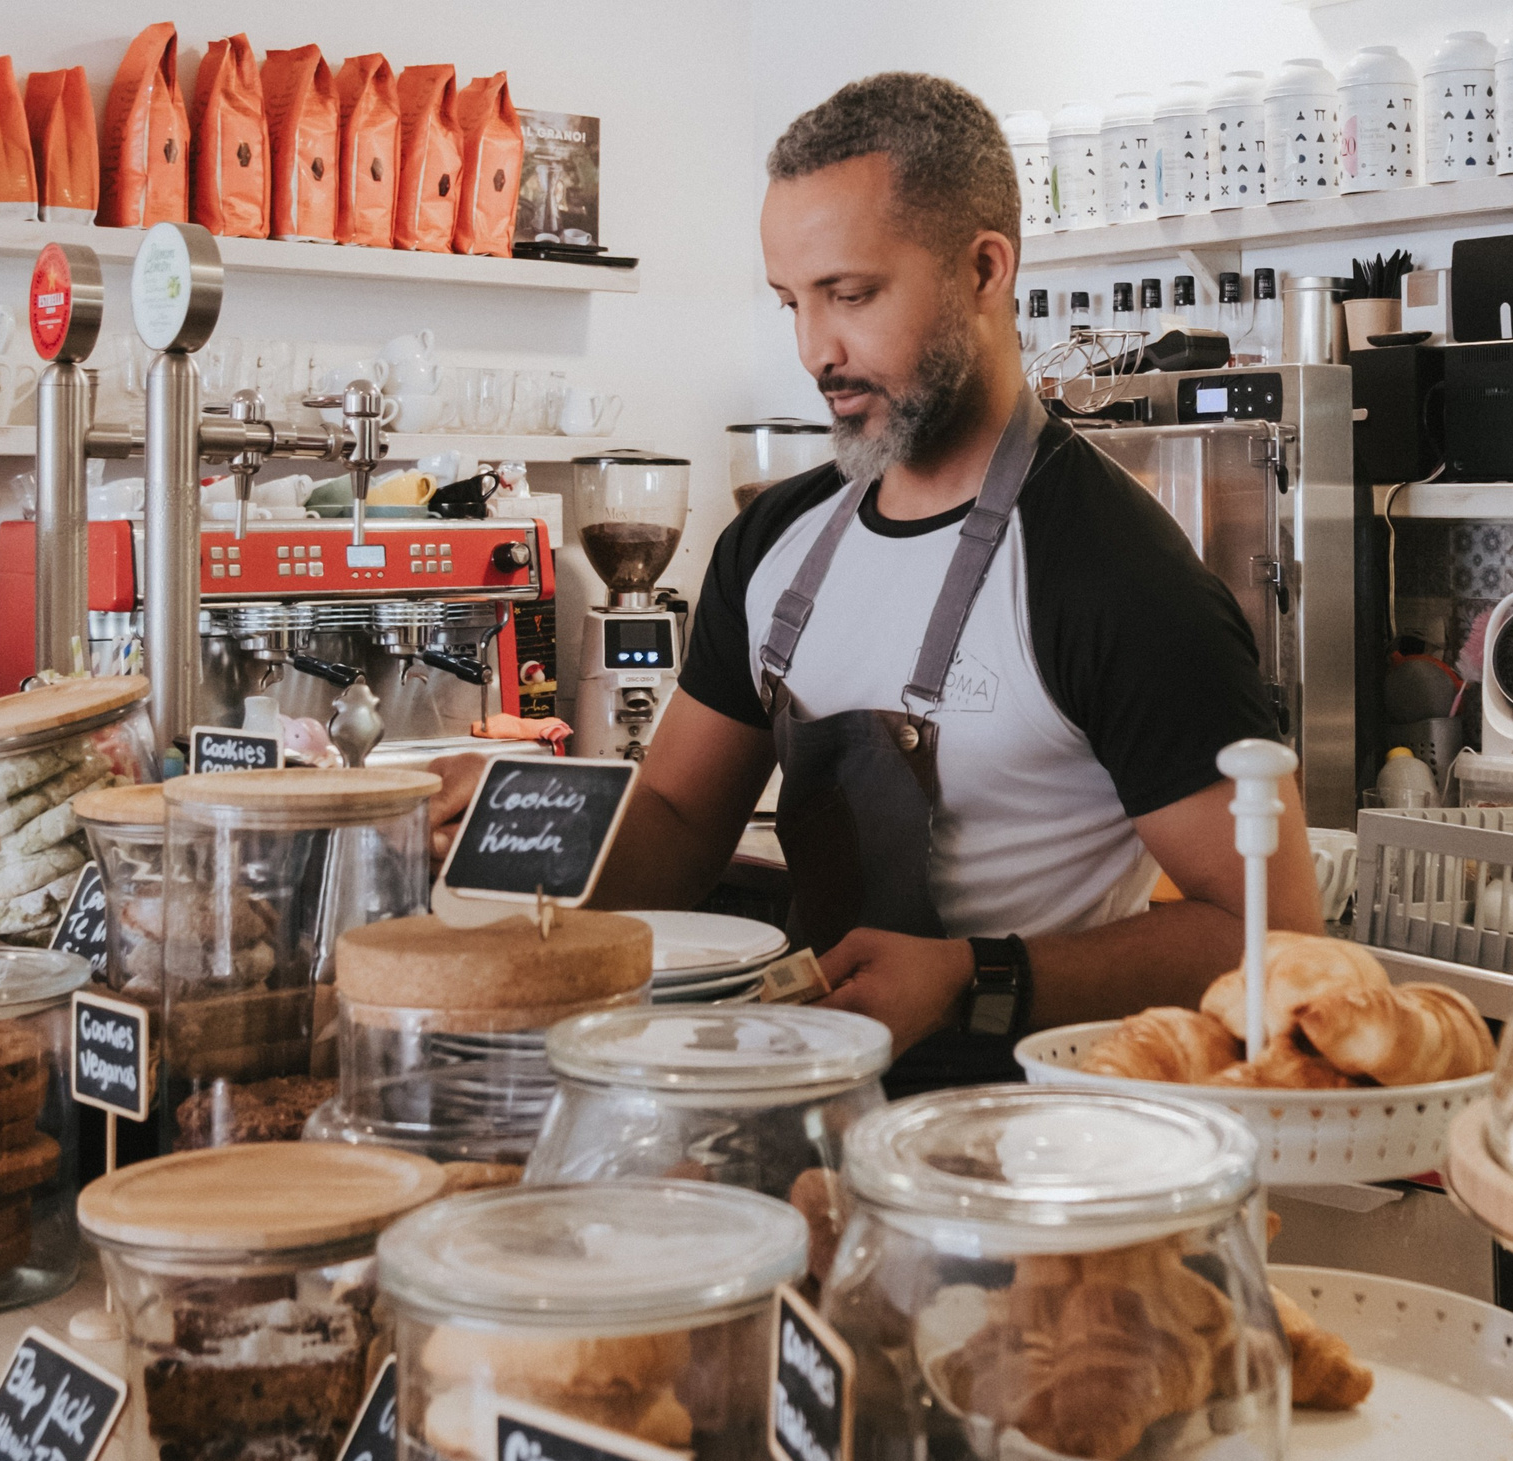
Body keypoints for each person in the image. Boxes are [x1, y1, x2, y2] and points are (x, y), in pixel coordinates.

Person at [436, 72, 1316, 1089]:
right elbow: (677, 823)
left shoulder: (1116, 575)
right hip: (802, 1097)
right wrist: (515, 816)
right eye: (792, 302)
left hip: (1029, 1128)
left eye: (850, 295)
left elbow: (1272, 935)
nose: (816, 350)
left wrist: (971, 978)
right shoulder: (771, 544)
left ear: (984, 269)